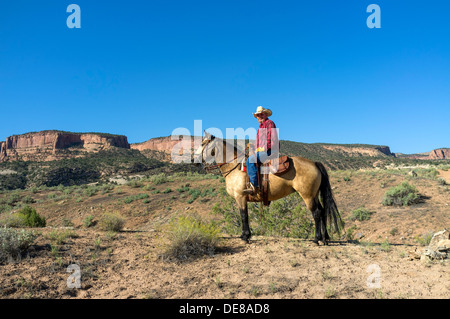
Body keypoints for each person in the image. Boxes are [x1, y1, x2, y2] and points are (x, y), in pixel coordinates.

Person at [244, 106, 279, 195]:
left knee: (250, 160)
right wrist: (253, 147)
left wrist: (260, 150)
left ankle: (255, 187)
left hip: (269, 150)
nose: (259, 116)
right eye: (257, 115)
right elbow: (258, 143)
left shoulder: (269, 123)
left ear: (265, 114)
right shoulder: (260, 127)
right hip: (262, 151)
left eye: (261, 114)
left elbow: (270, 139)